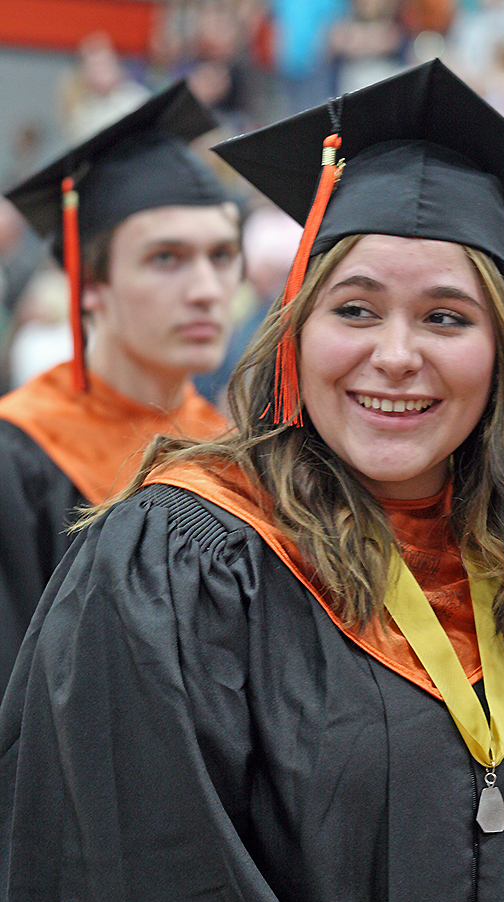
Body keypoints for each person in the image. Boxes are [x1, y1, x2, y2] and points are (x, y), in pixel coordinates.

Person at [0, 60, 504, 902]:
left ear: (502, 351)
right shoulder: (176, 563)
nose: (394, 357)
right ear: (297, 328)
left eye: (447, 317)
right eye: (355, 308)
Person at [0, 81, 243, 696]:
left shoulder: (237, 457)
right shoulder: (19, 456)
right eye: (166, 258)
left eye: (222, 255)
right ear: (89, 286)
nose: (206, 289)